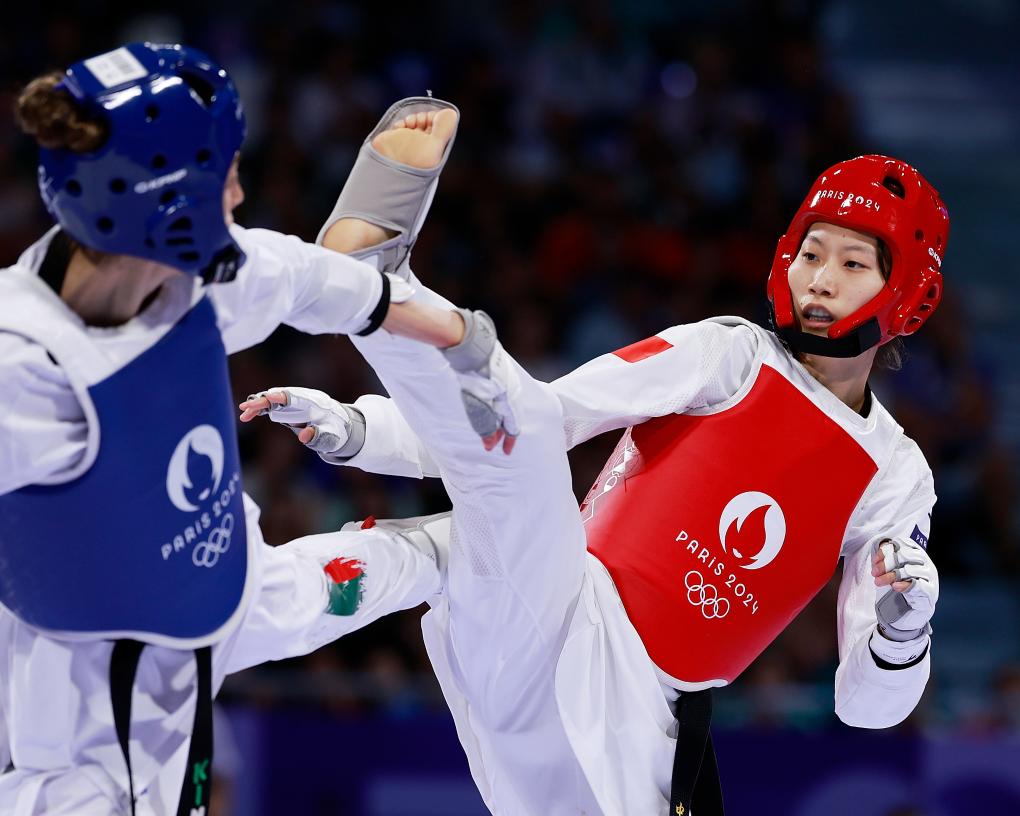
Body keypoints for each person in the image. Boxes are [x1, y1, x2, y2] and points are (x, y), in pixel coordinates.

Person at [248, 107, 945, 815]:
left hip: (638, 738)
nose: (819, 280)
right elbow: (543, 417)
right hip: (561, 613)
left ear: (909, 294)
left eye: (853, 264)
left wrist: (903, 631)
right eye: (811, 253)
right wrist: (360, 430)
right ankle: (249, 600)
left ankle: (378, 294)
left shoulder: (894, 475)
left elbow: (868, 710)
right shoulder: (730, 354)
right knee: (448, 540)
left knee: (459, 533)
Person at [0, 43, 503, 816]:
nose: (238, 193)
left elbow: (321, 282)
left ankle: (446, 549)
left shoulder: (209, 275)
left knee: (356, 581)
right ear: (165, 205)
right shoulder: (22, 368)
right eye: (225, 175)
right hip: (85, 692)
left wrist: (461, 337)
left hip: (218, 585)